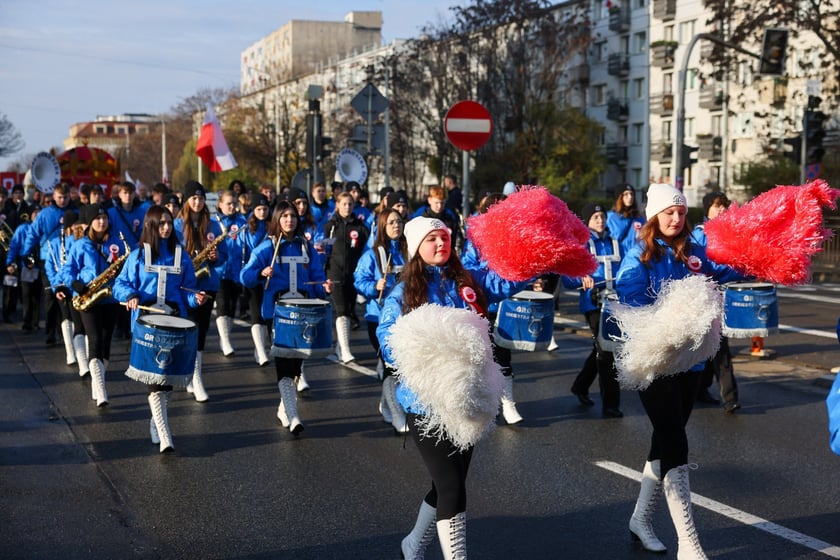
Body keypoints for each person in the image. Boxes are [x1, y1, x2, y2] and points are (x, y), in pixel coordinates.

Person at [377, 216, 522, 560]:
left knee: (446, 485)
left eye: (444, 237)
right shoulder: (403, 293)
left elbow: (505, 283)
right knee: (452, 487)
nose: (441, 244)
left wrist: (537, 261)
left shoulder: (466, 283)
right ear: (417, 248)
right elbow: (387, 339)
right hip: (425, 403)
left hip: (466, 401)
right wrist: (428, 348)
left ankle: (412, 544)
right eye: (432, 239)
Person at [615, 183, 741, 559]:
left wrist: (758, 253)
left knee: (664, 440)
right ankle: (689, 542)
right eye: (669, 212)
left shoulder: (694, 251)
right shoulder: (639, 254)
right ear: (654, 215)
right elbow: (630, 296)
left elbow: (725, 270)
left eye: (682, 212)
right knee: (675, 444)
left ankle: (640, 519)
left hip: (691, 361)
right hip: (654, 363)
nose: (676, 218)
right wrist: (670, 314)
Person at [114, 205, 208, 452]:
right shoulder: (139, 255)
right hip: (146, 324)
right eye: (161, 223)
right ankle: (166, 436)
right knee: (155, 380)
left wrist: (195, 298)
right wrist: (131, 295)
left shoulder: (181, 254)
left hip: (174, 323)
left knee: (167, 381)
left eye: (168, 223)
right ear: (151, 226)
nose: (166, 227)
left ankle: (156, 420)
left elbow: (187, 290)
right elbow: (120, 284)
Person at [240, 201, 327, 435]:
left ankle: (284, 408)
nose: (290, 220)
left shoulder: (305, 247)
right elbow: (245, 276)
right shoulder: (267, 247)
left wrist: (323, 287)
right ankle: (293, 414)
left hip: (303, 310)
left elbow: (317, 276)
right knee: (283, 361)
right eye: (285, 216)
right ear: (277, 219)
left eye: (293, 216)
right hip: (277, 312)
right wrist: (260, 272)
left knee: (297, 363)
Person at [461, 192, 525, 425]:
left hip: (505, 305)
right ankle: (486, 400)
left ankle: (508, 403)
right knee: (480, 357)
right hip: (482, 303)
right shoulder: (476, 239)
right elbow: (468, 268)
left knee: (504, 354)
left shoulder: (512, 237)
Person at [61, 204, 130, 407]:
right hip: (88, 298)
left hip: (109, 298)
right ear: (90, 222)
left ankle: (97, 378)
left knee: (106, 341)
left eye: (105, 218)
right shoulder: (80, 245)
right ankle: (100, 388)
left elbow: (124, 269)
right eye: (98, 218)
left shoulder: (114, 244)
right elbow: (68, 269)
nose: (102, 222)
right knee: (95, 338)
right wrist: (74, 284)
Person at [562, 202, 624, 418]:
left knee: (602, 348)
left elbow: (627, 269)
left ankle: (580, 385)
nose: (600, 220)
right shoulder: (581, 244)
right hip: (593, 304)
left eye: (602, 215)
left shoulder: (617, 243)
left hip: (615, 302)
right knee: (607, 351)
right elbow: (567, 278)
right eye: (595, 216)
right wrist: (582, 277)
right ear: (587, 221)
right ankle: (611, 404)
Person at [353, 208, 408, 432]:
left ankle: (387, 404)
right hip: (379, 317)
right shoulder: (372, 254)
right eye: (391, 222)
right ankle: (397, 415)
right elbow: (359, 280)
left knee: (400, 366)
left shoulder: (409, 251)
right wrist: (373, 286)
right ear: (383, 227)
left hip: (406, 317)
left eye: (399, 221)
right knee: (390, 365)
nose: (396, 225)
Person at [175, 180, 228, 402]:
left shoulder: (213, 225)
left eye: (201, 198)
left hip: (207, 284)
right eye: (193, 198)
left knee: (201, 331)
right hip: (186, 285)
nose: (198, 202)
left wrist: (217, 258)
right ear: (186, 201)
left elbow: (224, 254)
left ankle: (195, 377)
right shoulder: (177, 226)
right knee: (188, 330)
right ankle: (190, 375)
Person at [691, 191, 741, 413]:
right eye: (717, 206)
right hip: (704, 296)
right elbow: (700, 267)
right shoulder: (699, 235)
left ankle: (701, 388)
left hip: (721, 294)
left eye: (724, 206)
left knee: (711, 347)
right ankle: (730, 398)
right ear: (707, 209)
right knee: (719, 347)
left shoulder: (727, 232)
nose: (722, 210)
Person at [22, 183, 76, 345]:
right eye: (59, 197)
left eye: (65, 197)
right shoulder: (45, 214)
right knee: (51, 296)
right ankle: (51, 331)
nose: (62, 200)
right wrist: (26, 252)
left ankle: (68, 331)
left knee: (69, 295)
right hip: (49, 259)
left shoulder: (74, 212)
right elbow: (33, 233)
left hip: (69, 260)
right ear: (54, 196)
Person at [324, 191, 369, 362]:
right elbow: (322, 248)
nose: (347, 207)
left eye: (350, 204)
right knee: (341, 309)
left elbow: (366, 248)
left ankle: (340, 347)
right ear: (337, 205)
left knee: (349, 310)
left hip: (353, 274)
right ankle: (345, 350)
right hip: (334, 273)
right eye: (344, 204)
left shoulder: (359, 227)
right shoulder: (330, 226)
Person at [239, 195, 272, 367]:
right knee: (256, 314)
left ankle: (260, 347)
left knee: (267, 314)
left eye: (265, 209)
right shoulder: (246, 228)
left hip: (271, 276)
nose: (262, 212)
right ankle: (260, 350)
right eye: (259, 209)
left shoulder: (273, 226)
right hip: (255, 274)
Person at [214, 190, 246, 357]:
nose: (232, 206)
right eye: (228, 203)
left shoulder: (242, 221)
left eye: (234, 203)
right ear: (220, 205)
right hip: (220, 271)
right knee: (222, 304)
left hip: (237, 271)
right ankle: (225, 339)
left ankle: (225, 336)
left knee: (233, 307)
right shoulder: (215, 222)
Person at [6, 206, 40, 331]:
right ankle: (27, 321)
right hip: (26, 266)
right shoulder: (22, 229)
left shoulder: (44, 228)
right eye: (35, 212)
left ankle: (35, 322)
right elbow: (14, 246)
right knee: (26, 295)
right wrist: (10, 262)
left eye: (39, 212)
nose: (37, 215)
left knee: (37, 296)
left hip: (40, 266)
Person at [607, 183, 645, 255]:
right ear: (619, 197)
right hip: (617, 259)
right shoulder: (609, 217)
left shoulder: (639, 219)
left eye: (632, 194)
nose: (630, 197)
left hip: (635, 258)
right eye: (626, 194)